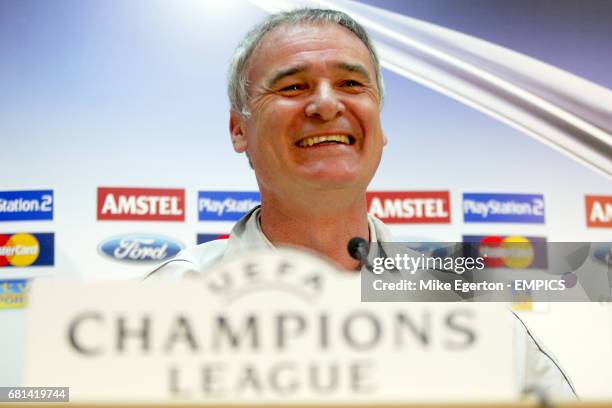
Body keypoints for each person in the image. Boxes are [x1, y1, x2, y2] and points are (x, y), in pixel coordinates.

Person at [147, 7, 577, 400]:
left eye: (351, 84)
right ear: (239, 130)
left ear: (380, 127)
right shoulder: (166, 304)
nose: (326, 104)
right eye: (293, 86)